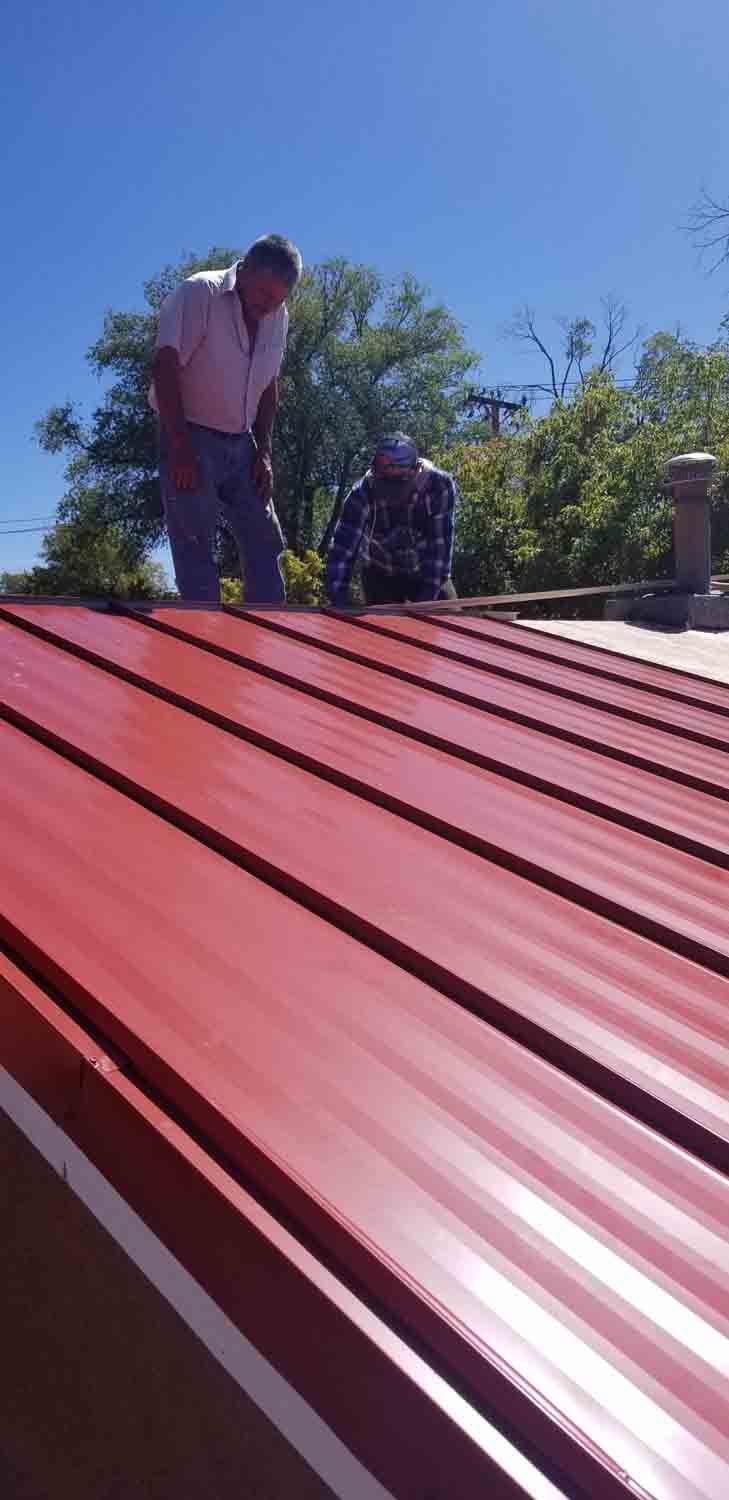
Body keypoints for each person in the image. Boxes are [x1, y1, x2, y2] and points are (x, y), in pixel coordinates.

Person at [150, 234, 303, 602]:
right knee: (195, 546)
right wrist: (179, 446)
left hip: (242, 440)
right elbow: (165, 366)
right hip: (191, 434)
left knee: (265, 541)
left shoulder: (278, 317)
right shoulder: (200, 292)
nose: (269, 306)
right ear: (245, 268)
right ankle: (203, 641)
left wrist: (263, 451)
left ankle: (268, 637)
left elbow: (269, 385)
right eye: (265, 294)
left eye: (279, 298)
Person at [325, 433, 459, 608]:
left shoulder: (438, 486)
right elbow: (342, 554)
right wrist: (339, 604)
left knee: (450, 620)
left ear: (415, 470)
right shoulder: (361, 494)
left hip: (426, 574)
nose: (390, 492)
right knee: (380, 631)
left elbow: (439, 551)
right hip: (380, 573)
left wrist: (425, 601)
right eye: (384, 482)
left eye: (397, 482)